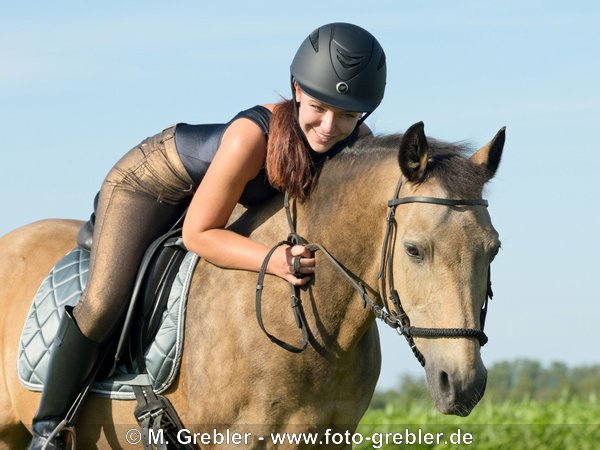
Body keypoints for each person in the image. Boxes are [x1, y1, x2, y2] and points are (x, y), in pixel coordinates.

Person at [28, 22, 386, 449]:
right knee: (104, 302)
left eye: (347, 115)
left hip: (215, 190)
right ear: (295, 89)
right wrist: (273, 261)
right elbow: (199, 234)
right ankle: (49, 429)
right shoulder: (251, 137)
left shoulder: (355, 145)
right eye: (319, 107)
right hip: (149, 184)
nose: (329, 127)